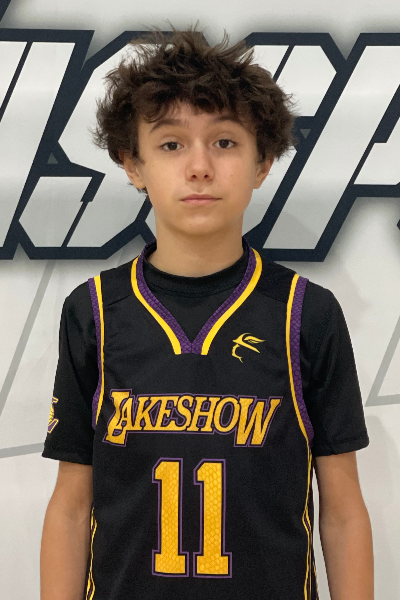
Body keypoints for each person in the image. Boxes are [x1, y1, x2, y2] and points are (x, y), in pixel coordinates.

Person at [40, 24, 373, 600]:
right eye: (171, 144)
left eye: (224, 142)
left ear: (263, 162)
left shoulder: (305, 313)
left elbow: (342, 511)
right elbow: (71, 505)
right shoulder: (93, 311)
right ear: (133, 164)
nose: (199, 167)